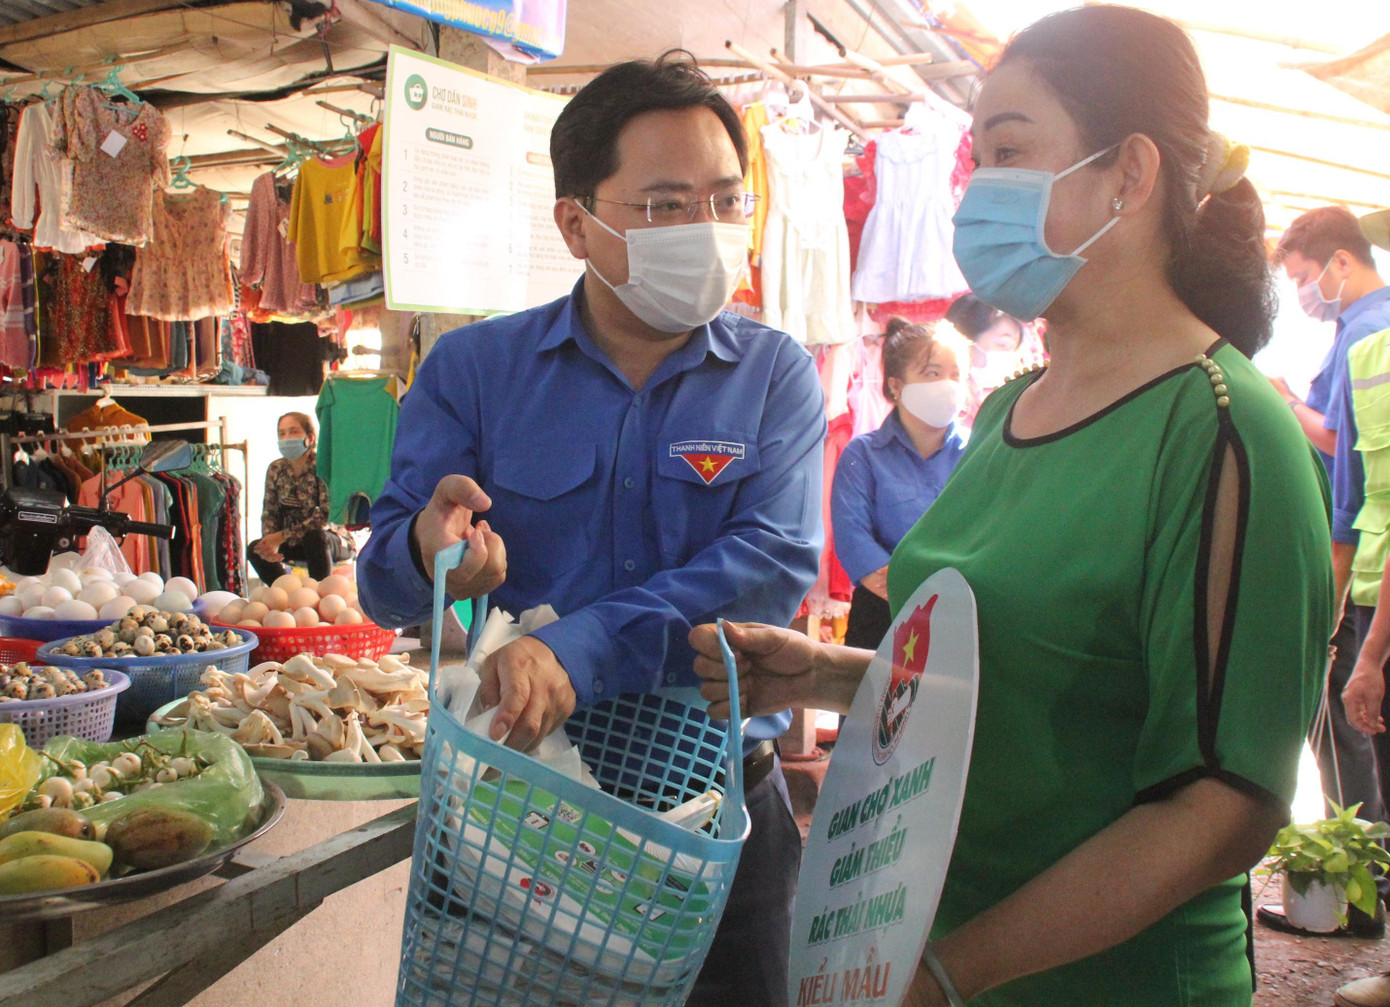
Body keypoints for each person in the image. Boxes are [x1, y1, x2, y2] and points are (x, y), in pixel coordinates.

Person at [691, 7, 1332, 1005]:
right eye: (976, 157)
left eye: (1009, 152)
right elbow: (1007, 691)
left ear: (1129, 172)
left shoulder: (1223, 429)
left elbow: (1227, 802)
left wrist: (953, 971)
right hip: (929, 951)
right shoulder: (1003, 415)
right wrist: (827, 674)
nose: (976, 190)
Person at [357, 54, 826, 1006]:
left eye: (725, 202)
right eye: (663, 206)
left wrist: (579, 650)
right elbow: (384, 574)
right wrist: (428, 548)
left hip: (717, 817)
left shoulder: (775, 375)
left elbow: (771, 567)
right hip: (511, 817)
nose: (705, 231)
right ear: (577, 222)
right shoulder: (474, 370)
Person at [1257, 207, 1390, 938]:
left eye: (1307, 279)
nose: (1307, 294)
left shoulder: (1372, 336)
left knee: (1351, 730)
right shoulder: (1362, 330)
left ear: (1341, 262)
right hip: (1362, 559)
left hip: (1366, 564)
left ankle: (1360, 898)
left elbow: (1353, 459)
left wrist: (1281, 403)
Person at [831, 318, 969, 652]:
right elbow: (852, 535)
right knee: (869, 702)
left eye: (956, 375)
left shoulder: (977, 453)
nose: (947, 385)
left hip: (962, 611)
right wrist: (903, 586)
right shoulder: (863, 454)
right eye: (932, 373)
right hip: (882, 613)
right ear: (896, 385)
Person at [248, 411, 345, 584]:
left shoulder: (323, 465)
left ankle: (320, 593)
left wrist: (282, 536)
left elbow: (325, 515)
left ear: (310, 437)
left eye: (293, 431)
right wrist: (270, 542)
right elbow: (270, 512)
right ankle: (287, 590)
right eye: (282, 433)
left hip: (329, 540)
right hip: (291, 542)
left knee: (314, 538)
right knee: (255, 549)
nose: (287, 437)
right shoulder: (276, 468)